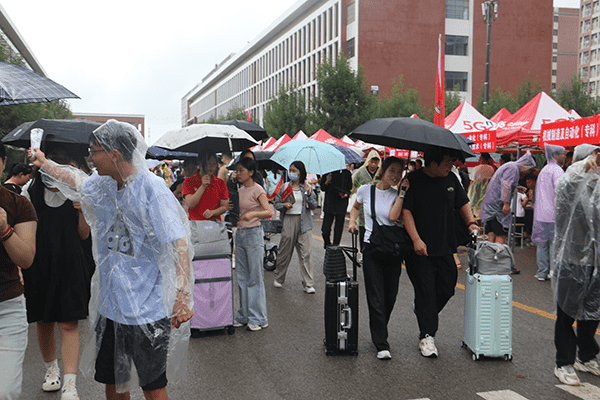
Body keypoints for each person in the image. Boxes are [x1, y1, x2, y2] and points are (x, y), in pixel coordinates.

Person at [28, 119, 193, 400]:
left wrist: (182, 294)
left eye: (94, 152)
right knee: (115, 384)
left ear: (114, 153)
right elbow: (74, 179)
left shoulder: (151, 189)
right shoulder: (103, 185)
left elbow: (178, 243)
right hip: (113, 307)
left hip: (148, 310)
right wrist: (44, 163)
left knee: (153, 387)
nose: (90, 159)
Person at [21, 146, 94, 400]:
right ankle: (51, 370)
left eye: (63, 165)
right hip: (40, 262)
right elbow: (25, 232)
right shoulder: (29, 191)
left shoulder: (77, 192)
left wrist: (82, 210)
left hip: (70, 261)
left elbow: (84, 235)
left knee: (69, 322)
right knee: (43, 320)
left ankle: (70, 383)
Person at [402, 147, 477, 358]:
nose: (451, 165)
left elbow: (463, 202)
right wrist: (416, 239)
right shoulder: (413, 180)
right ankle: (427, 336)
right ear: (432, 163)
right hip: (420, 249)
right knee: (426, 290)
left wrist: (470, 222)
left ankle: (424, 310)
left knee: (448, 286)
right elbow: (405, 211)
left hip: (445, 245)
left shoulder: (451, 179)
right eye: (447, 161)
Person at [348, 157, 409, 360]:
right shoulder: (366, 190)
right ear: (382, 170)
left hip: (393, 250)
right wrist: (352, 221)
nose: (396, 175)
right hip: (372, 247)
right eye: (392, 171)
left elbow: (393, 217)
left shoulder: (398, 195)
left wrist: (401, 194)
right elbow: (355, 207)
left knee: (390, 296)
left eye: (399, 172)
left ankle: (380, 329)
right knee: (375, 296)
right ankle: (381, 342)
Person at [552, 144, 600, 386]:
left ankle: (587, 354)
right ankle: (564, 363)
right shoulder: (571, 181)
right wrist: (585, 167)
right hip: (571, 259)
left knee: (592, 312)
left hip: (596, 261)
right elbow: (569, 185)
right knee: (567, 313)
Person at [0, 142, 37, 400]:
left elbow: (26, 258)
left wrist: (4, 230)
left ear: (2, 163)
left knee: (6, 391)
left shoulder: (19, 205)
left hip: (7, 309)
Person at [232, 157, 272, 331]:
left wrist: (252, 215)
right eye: (238, 170)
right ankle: (244, 315)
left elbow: (268, 211)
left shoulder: (258, 189)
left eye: (241, 170)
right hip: (240, 234)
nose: (238, 173)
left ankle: (258, 318)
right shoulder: (239, 190)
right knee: (241, 275)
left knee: (255, 277)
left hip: (254, 233)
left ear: (250, 172)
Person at [273, 161, 318, 293]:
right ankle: (279, 278)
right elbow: (277, 203)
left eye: (294, 171)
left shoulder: (307, 187)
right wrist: (284, 206)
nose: (292, 173)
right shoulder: (285, 186)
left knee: (306, 253)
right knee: (284, 250)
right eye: (290, 170)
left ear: (301, 172)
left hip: (305, 222)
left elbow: (314, 206)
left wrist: (309, 194)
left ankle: (308, 283)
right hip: (289, 220)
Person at [480, 152, 536, 251]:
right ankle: (498, 260)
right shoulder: (513, 169)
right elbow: (506, 184)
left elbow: (505, 184)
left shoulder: (510, 166)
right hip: (498, 207)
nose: (528, 172)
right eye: (529, 169)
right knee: (501, 235)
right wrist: (506, 203)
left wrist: (516, 188)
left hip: (491, 205)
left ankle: (489, 260)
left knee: (492, 233)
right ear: (525, 166)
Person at [532, 144, 565, 281]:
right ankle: (552, 271)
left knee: (542, 244)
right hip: (553, 213)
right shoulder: (557, 171)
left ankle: (541, 273)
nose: (564, 156)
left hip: (541, 213)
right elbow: (560, 192)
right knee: (553, 244)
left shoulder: (544, 170)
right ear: (556, 155)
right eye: (563, 154)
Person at [183, 149, 229, 221]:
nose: (211, 167)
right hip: (196, 225)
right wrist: (203, 186)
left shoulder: (220, 183)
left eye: (214, 164)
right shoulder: (189, 181)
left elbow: (224, 207)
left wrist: (213, 212)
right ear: (200, 163)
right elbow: (190, 204)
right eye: (208, 164)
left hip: (214, 224)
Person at [351, 150, 381, 250]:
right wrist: (352, 192)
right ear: (368, 161)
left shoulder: (381, 172)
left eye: (376, 162)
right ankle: (363, 253)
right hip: (363, 208)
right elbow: (353, 183)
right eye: (372, 161)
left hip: (378, 208)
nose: (373, 164)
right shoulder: (360, 172)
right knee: (364, 233)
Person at [320, 169, 352, 248]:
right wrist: (327, 181)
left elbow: (349, 188)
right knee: (325, 230)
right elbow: (322, 187)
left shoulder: (346, 173)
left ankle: (335, 247)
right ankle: (327, 243)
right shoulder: (327, 172)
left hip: (341, 203)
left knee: (338, 228)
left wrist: (346, 194)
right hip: (329, 203)